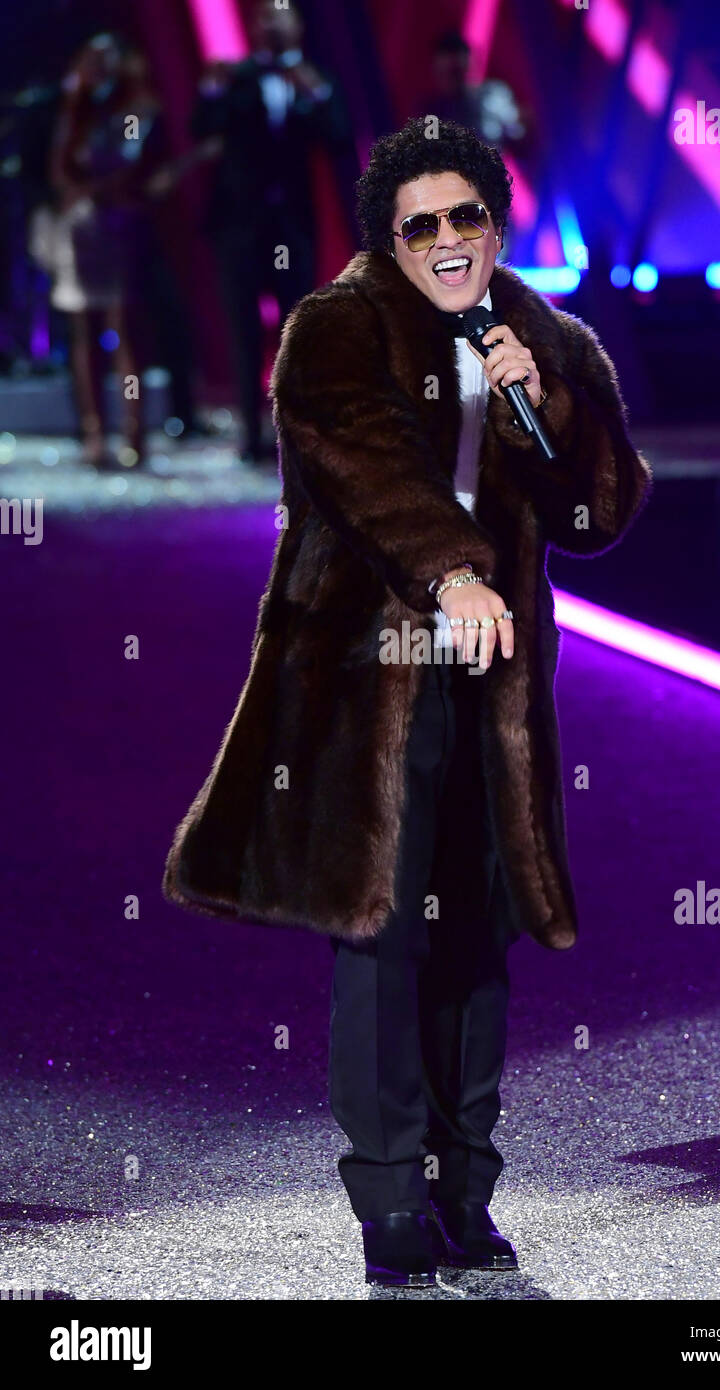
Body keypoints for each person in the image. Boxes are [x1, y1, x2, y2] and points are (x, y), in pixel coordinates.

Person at [163, 118, 652, 1287]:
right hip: (365, 676)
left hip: (493, 681)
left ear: (495, 221)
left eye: (463, 218)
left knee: (476, 932)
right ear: (388, 239)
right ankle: (389, 1203)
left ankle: (461, 1187)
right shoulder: (338, 326)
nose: (444, 242)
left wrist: (550, 409)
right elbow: (360, 460)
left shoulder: (545, 335)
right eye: (418, 225)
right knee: (381, 931)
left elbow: (598, 515)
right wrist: (453, 565)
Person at [190, 0, 349, 462]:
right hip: (239, 226)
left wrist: (315, 95)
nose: (272, 23)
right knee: (242, 328)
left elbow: (338, 138)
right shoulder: (236, 77)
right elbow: (201, 127)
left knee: (296, 327)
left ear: (298, 25)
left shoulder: (315, 80)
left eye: (282, 14)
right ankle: (250, 433)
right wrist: (213, 91)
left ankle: (295, 432)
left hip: (292, 226)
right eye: (265, 15)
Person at [47, 33, 163, 469]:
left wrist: (89, 190)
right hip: (79, 234)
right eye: (90, 60)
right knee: (84, 334)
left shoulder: (137, 108)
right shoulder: (73, 112)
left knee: (125, 333)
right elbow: (58, 169)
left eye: (105, 61)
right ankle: (93, 431)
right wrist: (71, 104)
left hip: (119, 228)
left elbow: (128, 164)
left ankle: (134, 432)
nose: (97, 70)